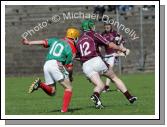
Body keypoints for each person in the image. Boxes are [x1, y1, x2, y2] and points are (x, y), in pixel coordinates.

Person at [76, 20, 137, 109]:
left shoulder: (79, 39)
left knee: (100, 85)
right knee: (114, 78)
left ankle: (95, 95)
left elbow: (77, 57)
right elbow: (110, 44)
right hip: (96, 60)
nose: (94, 27)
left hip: (85, 65)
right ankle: (130, 97)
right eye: (92, 26)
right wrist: (122, 49)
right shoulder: (94, 34)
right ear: (90, 27)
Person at [21, 28, 80, 112]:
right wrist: (70, 77)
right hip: (56, 64)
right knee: (68, 88)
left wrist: (29, 42)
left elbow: (43, 42)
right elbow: (69, 67)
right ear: (75, 38)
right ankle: (64, 110)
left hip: (47, 64)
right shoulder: (72, 48)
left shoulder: (56, 40)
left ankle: (40, 84)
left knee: (52, 91)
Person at [101, 22, 127, 92]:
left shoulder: (115, 33)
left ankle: (106, 87)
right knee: (108, 71)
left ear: (111, 26)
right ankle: (118, 85)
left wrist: (121, 49)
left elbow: (122, 41)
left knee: (109, 69)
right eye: (106, 26)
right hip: (106, 55)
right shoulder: (102, 34)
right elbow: (99, 44)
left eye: (108, 26)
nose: (107, 27)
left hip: (113, 54)